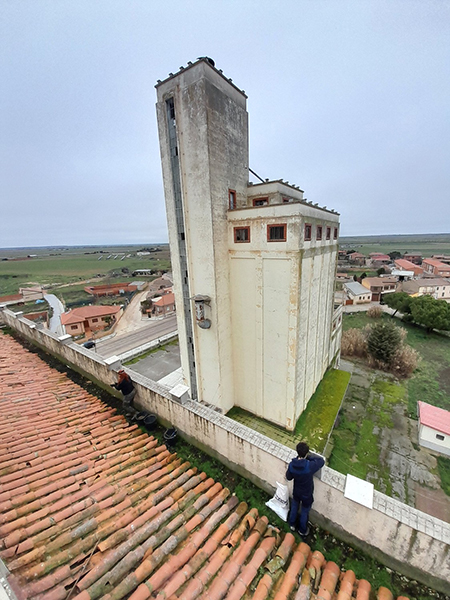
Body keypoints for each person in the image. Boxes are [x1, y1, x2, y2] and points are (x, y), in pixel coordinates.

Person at [286, 441, 325, 537]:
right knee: (304, 511)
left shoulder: (292, 465)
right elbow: (321, 461)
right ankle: (302, 530)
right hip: (306, 494)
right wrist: (309, 457)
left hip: (297, 491)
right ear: (306, 453)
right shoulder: (309, 466)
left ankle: (292, 524)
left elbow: (288, 477)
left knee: (294, 506)